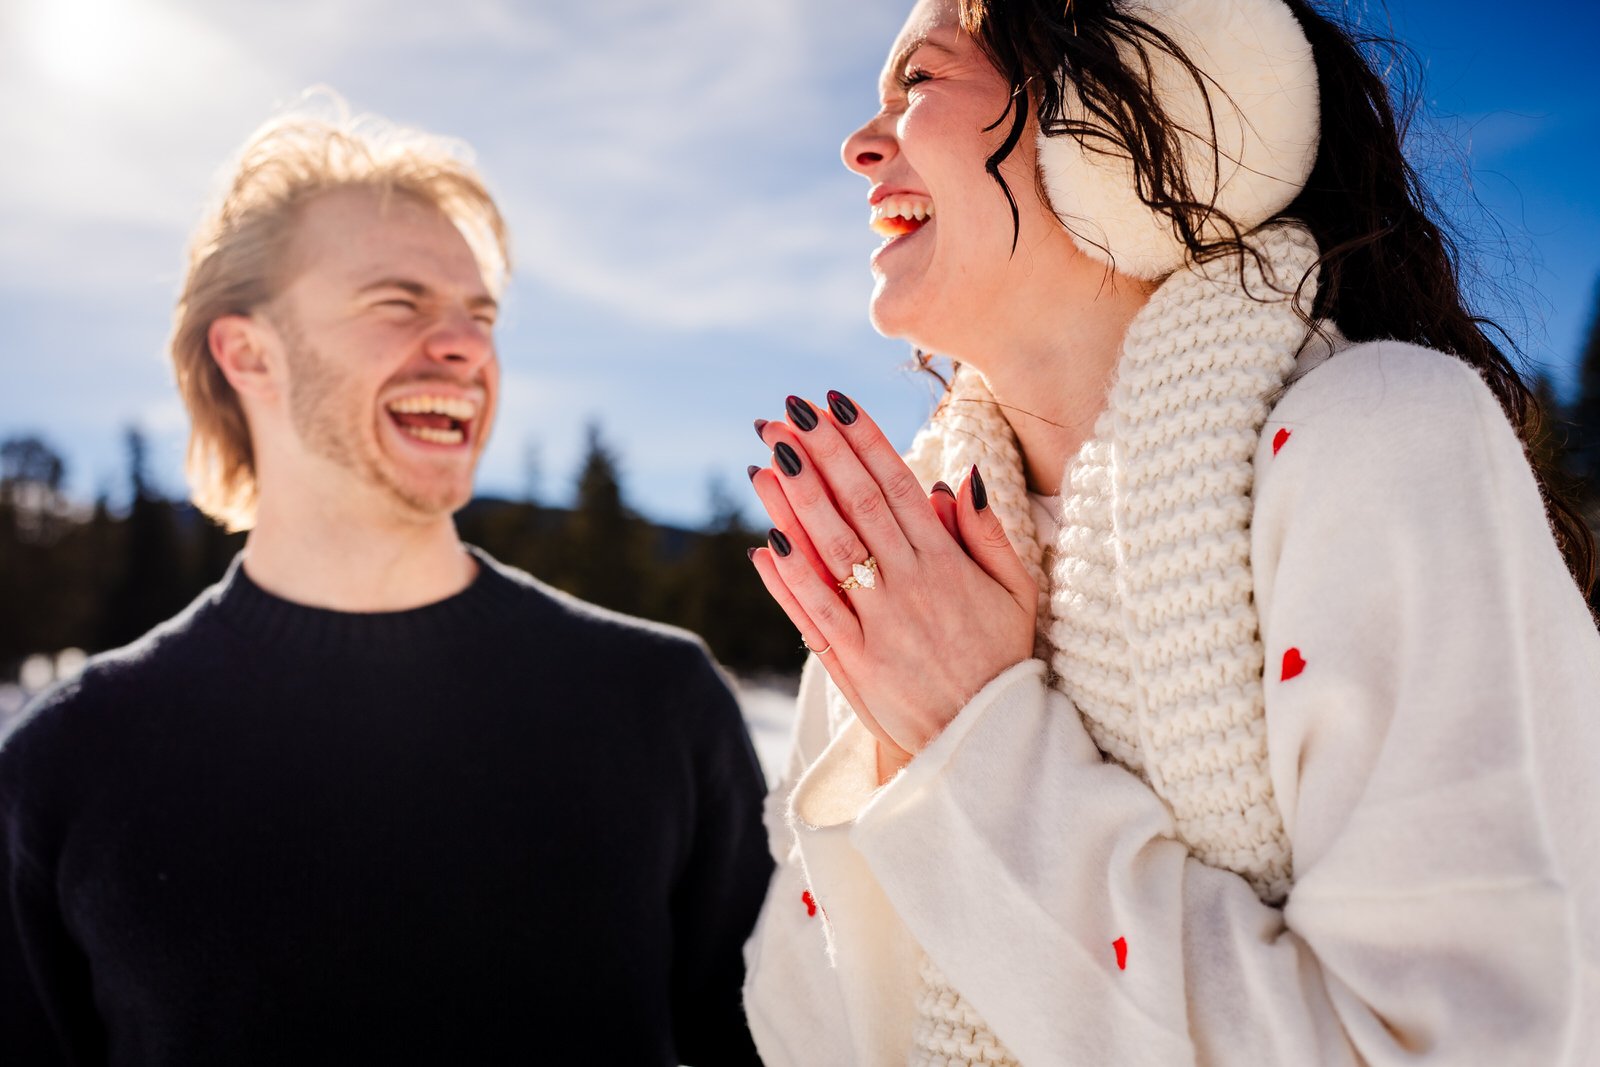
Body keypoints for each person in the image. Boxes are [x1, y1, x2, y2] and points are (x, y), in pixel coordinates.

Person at [741, 0, 1600, 1063]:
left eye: (919, 82)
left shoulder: (1380, 439)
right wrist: (893, 741)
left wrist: (972, 742)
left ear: (1111, 112)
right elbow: (802, 1034)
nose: (857, 144)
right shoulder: (910, 568)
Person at [0, 101, 771, 1065]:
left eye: (479, 316)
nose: (465, 347)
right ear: (248, 353)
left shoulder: (659, 705)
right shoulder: (68, 763)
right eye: (399, 303)